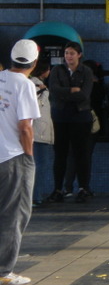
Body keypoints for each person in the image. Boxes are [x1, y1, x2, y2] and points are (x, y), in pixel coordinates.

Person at [0, 39, 40, 285]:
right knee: (15, 214)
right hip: (14, 158)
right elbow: (25, 127)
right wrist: (29, 157)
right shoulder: (24, 85)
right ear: (34, 62)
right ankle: (4, 270)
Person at [47, 41, 94, 203]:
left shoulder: (86, 71)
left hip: (81, 117)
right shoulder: (57, 70)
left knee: (82, 153)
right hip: (60, 117)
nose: (69, 56)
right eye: (66, 53)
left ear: (79, 55)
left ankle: (83, 187)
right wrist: (71, 90)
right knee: (60, 154)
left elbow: (84, 95)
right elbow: (53, 90)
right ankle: (58, 188)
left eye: (72, 53)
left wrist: (64, 93)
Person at [31, 55, 53, 207]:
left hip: (40, 131)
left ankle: (36, 195)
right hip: (39, 132)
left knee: (39, 164)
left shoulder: (36, 84)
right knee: (41, 164)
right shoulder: (35, 85)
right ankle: (36, 196)